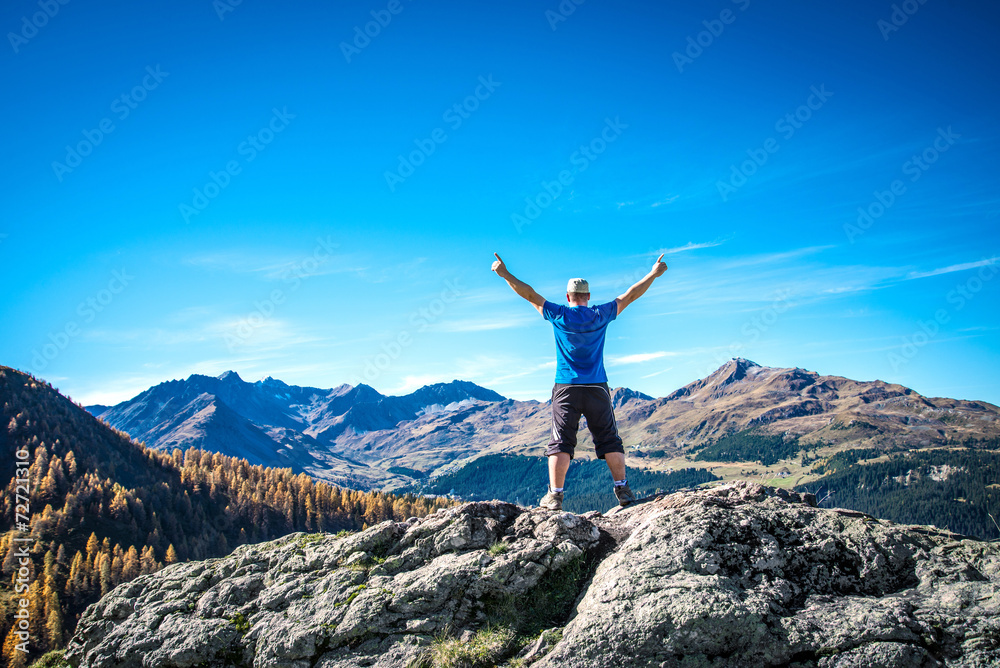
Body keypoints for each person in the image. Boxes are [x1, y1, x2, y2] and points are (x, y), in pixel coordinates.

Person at [491, 252, 668, 510]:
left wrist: (504, 274)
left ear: (568, 297)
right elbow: (630, 295)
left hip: (566, 387)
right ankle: (623, 490)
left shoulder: (558, 314)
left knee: (561, 442)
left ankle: (555, 496)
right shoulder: (600, 314)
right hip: (597, 386)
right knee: (610, 440)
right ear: (588, 297)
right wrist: (654, 273)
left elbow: (528, 294)